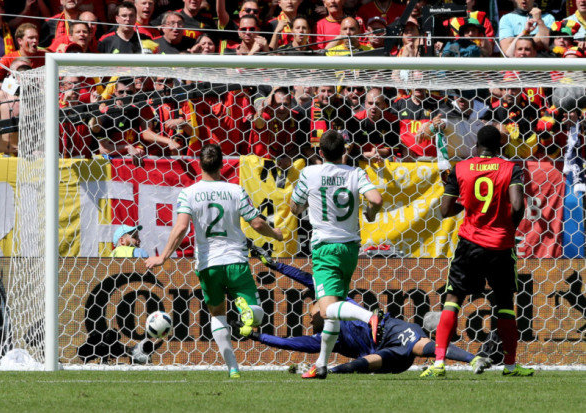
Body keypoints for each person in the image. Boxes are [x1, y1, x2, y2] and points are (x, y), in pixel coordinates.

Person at [145, 144, 283, 379]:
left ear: (199, 164)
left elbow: (180, 228)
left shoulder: (188, 193)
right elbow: (257, 224)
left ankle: (233, 368)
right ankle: (244, 309)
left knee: (217, 315)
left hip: (208, 264)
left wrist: (163, 257)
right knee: (257, 316)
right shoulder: (236, 191)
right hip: (236, 260)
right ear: (222, 165)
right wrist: (276, 234)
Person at [244, 245, 493, 375]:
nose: (309, 317)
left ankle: (474, 359)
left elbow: (307, 279)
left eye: (312, 309)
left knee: (417, 344)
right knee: (363, 363)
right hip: (384, 352)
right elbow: (290, 343)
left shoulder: (338, 303)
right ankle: (328, 372)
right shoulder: (325, 341)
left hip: (391, 330)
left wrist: (274, 264)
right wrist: (258, 337)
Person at [422, 125, 534, 378]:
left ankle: (439, 363)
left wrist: (464, 200)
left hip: (469, 244)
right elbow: (518, 206)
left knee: (453, 299)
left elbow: (445, 210)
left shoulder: (461, 169)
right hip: (501, 246)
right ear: (500, 147)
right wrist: (507, 227)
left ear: (476, 145)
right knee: (505, 304)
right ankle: (510, 366)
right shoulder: (511, 169)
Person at [289, 130, 383, 379]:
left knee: (326, 310)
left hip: (325, 247)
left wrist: (300, 207)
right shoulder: (356, 173)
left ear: (320, 153)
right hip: (350, 248)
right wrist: (371, 214)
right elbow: (376, 198)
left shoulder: (310, 173)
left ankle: (370, 317)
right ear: (345, 150)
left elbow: (294, 206)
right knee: (336, 309)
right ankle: (320, 365)